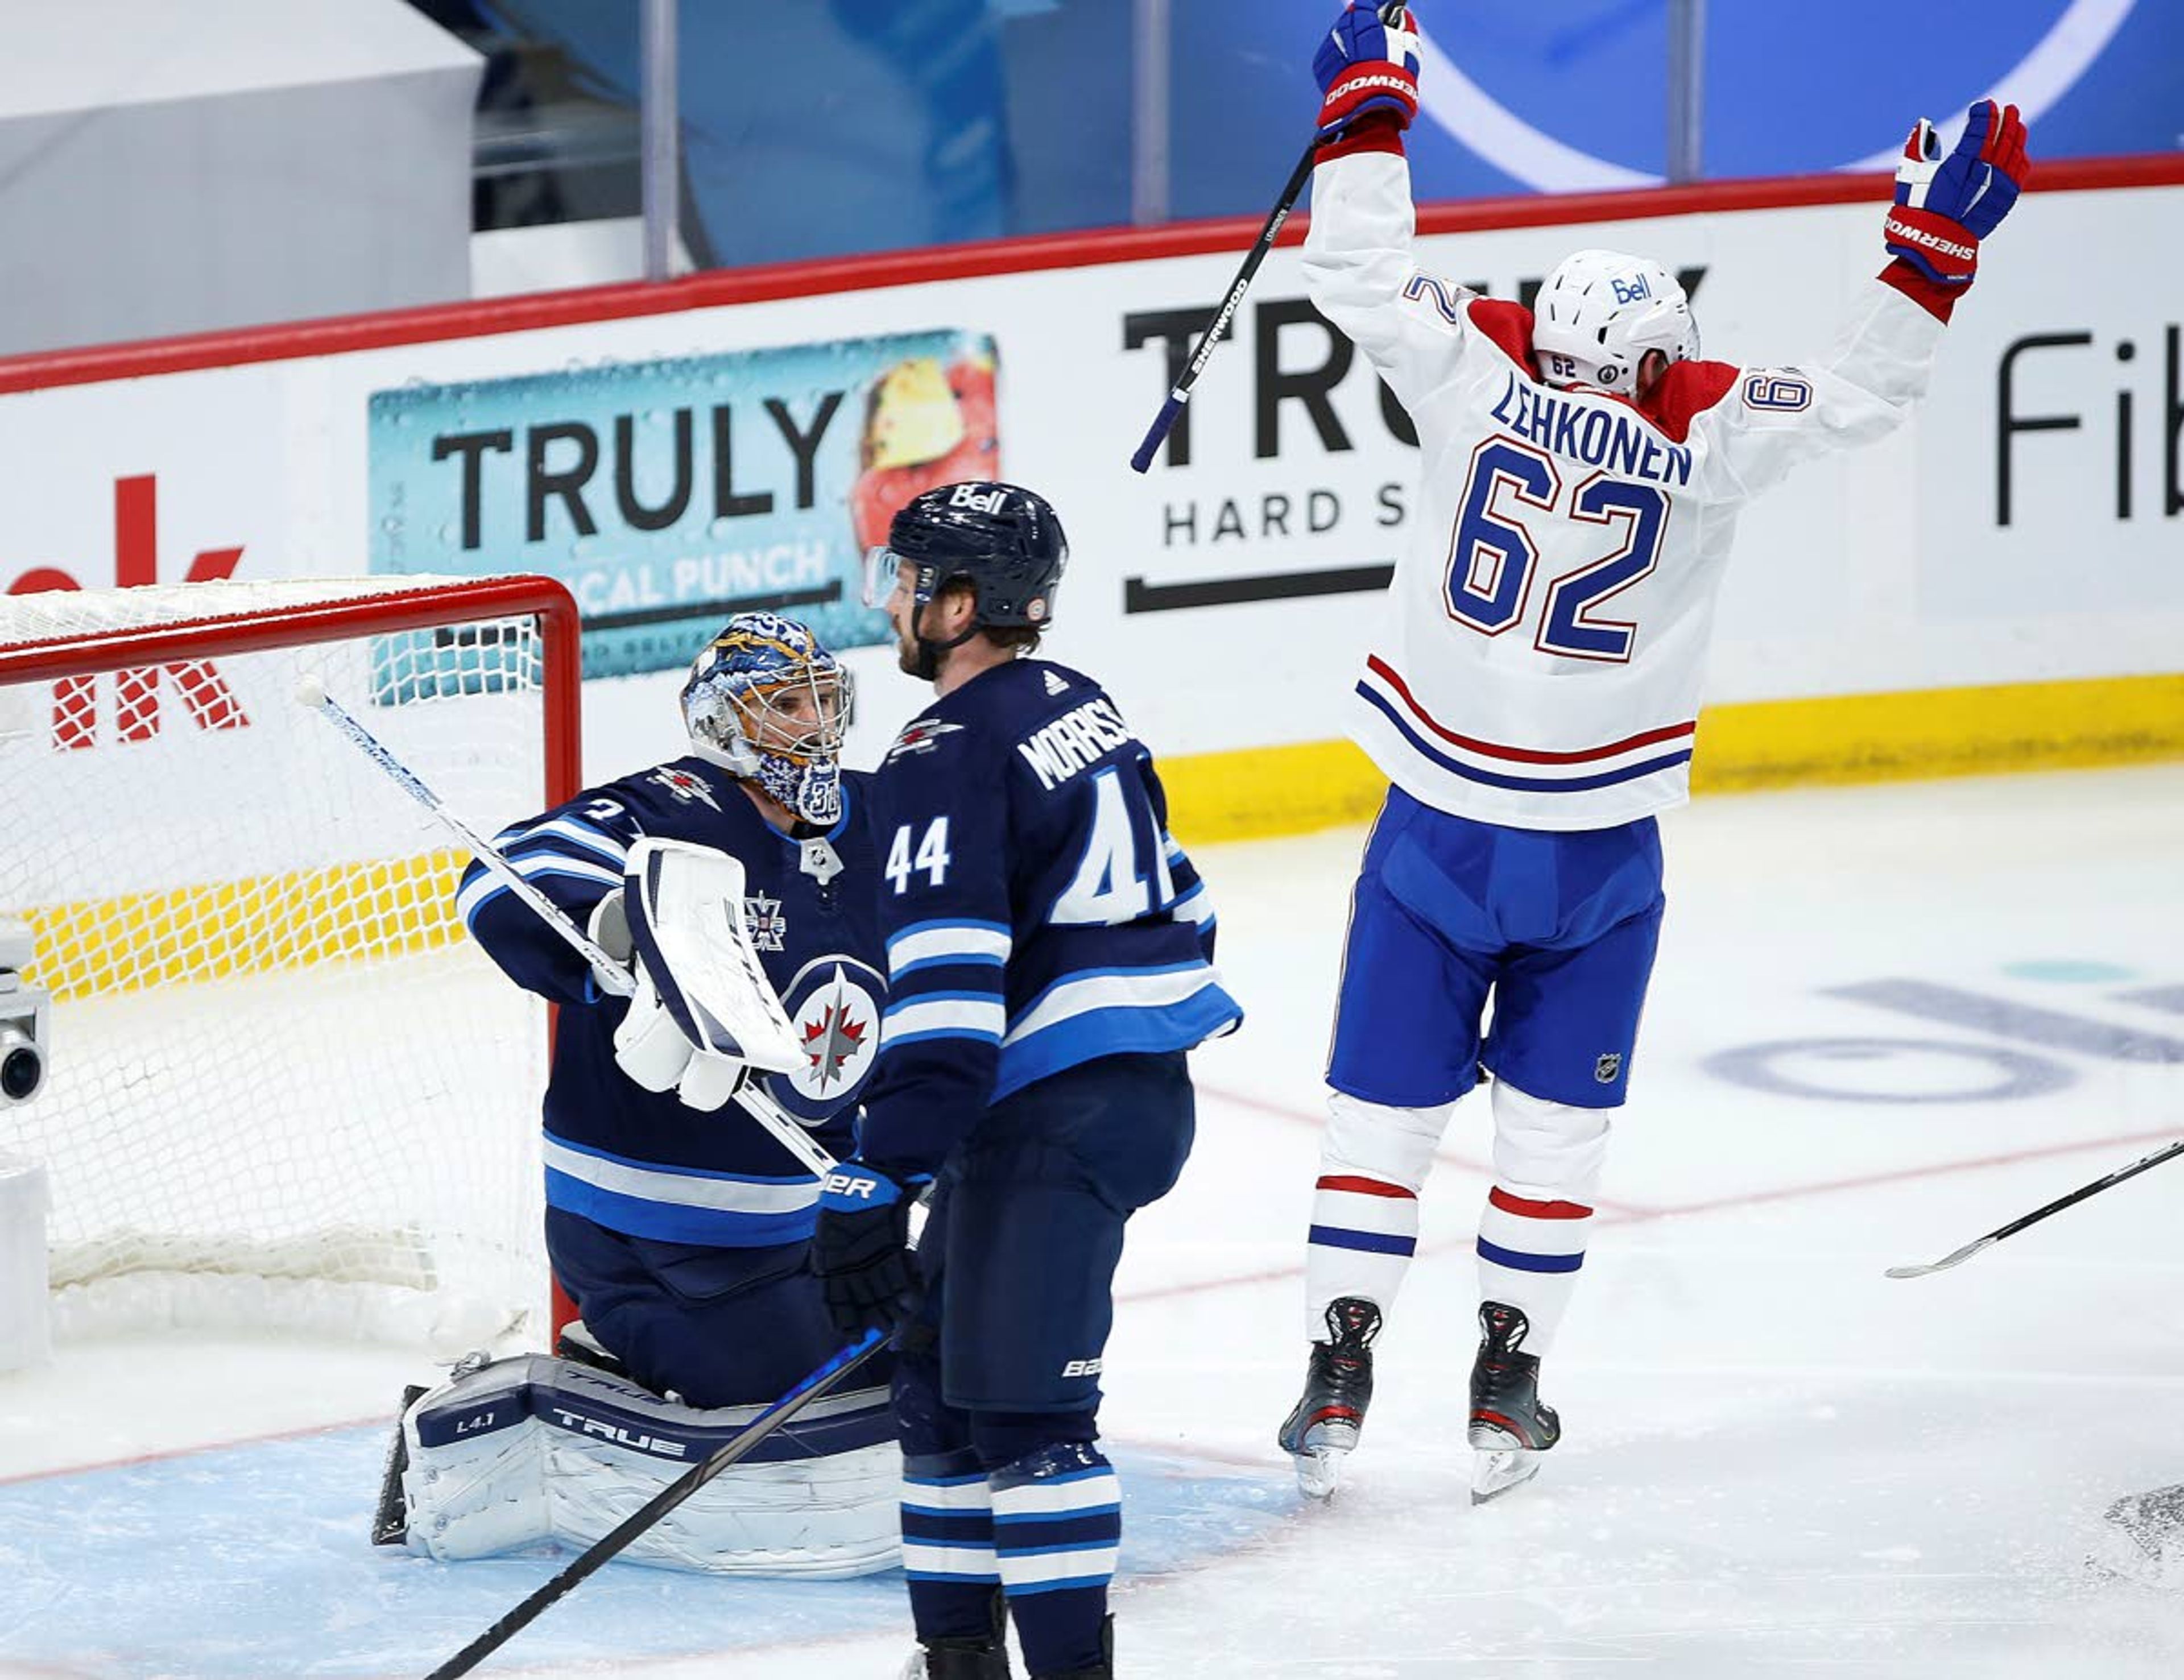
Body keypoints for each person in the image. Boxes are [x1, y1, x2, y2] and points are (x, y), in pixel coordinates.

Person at [1277, 2, 2031, 1503]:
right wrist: (1931, 261)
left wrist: (1372, 111)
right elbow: (1869, 390)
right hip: (1598, 853)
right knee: (1559, 1124)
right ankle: (1510, 1384)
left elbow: (1354, 268)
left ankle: (1339, 1365)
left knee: (1382, 1109)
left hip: (1433, 827)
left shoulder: (1475, 374)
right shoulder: (1710, 432)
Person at [812, 481, 1243, 1679]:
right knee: (940, 1396)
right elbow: (1189, 901)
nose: (891, 603)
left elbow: (949, 1008)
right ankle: (956, 1663)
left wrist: (875, 1172)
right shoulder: (1078, 704)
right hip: (1117, 1094)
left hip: (1047, 1119)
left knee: (1027, 1424)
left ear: (961, 605)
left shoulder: (944, 751)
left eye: (907, 582)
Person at [378, 611, 899, 1576]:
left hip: (807, 1227)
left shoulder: (876, 819)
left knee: (934, 1363)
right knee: (807, 1407)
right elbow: (508, 882)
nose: (813, 726)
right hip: (651, 1236)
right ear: (723, 720)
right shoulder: (671, 806)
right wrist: (622, 934)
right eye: (784, 705)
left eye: (825, 700)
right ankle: (585, 1367)